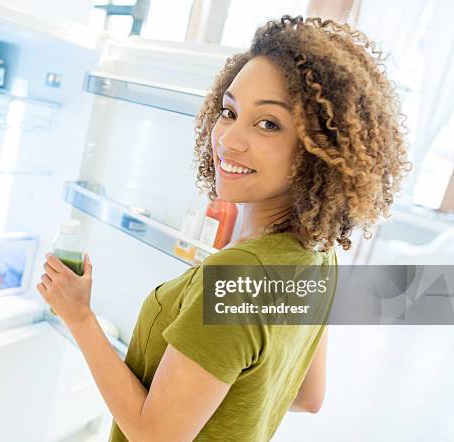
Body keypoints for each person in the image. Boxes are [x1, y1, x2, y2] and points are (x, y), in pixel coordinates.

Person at [37, 14, 410, 442]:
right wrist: (203, 394)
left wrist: (79, 317)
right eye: (230, 111)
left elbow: (156, 437)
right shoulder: (318, 256)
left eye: (268, 123)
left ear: (318, 151)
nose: (229, 139)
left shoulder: (240, 278)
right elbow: (309, 395)